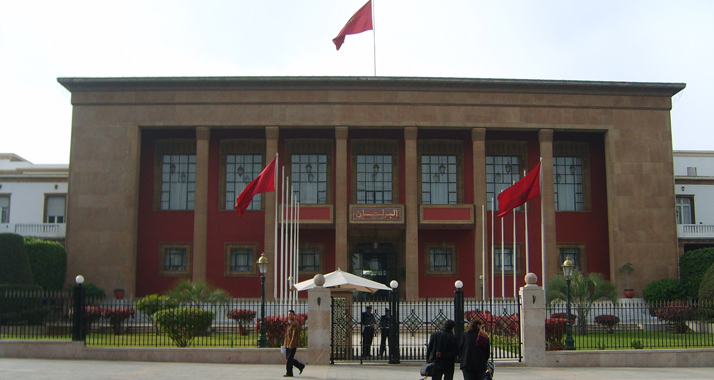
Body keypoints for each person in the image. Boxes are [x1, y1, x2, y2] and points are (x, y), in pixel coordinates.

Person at [283, 309, 305, 377]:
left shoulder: (295, 323)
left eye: (291, 314)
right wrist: (285, 344)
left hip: (292, 344)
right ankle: (300, 365)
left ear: (294, 315)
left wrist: (291, 344)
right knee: (288, 358)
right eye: (289, 314)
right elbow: (287, 334)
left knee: (289, 359)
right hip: (287, 343)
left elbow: (294, 335)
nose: (289, 316)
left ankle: (289, 372)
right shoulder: (289, 323)